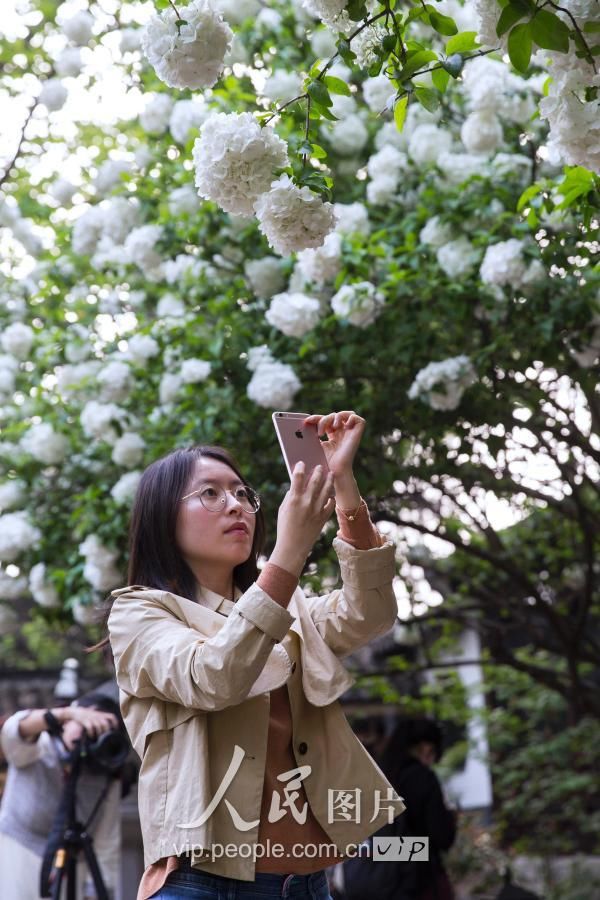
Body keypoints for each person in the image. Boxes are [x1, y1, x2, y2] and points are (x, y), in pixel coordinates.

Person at [103, 409, 404, 900]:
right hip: (203, 885)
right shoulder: (139, 614)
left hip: (308, 884)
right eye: (210, 493)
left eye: (244, 493)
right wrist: (290, 552)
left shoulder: (290, 607)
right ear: (162, 515)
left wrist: (343, 485)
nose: (237, 505)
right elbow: (213, 676)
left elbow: (369, 612)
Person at [0, 692, 124, 900]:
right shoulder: (38, 746)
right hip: (16, 856)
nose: (88, 731)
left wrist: (95, 891)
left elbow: (106, 840)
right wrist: (69, 713)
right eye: (84, 723)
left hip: (74, 867)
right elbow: (13, 730)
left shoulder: (106, 775)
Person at [343, 717, 457, 900]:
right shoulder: (423, 778)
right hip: (420, 882)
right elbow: (442, 837)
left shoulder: (376, 777)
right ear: (426, 748)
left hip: (376, 882)